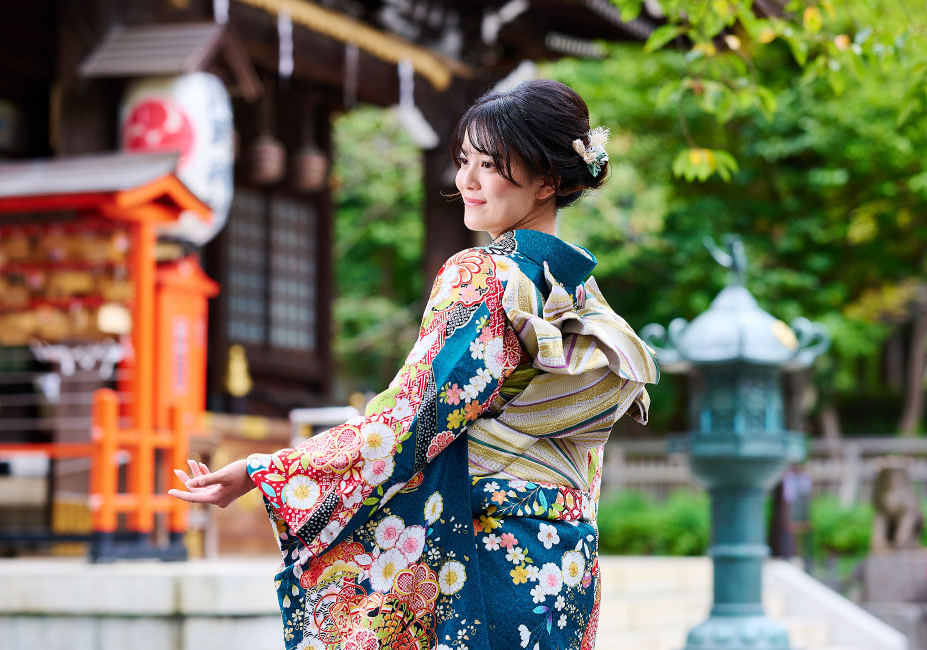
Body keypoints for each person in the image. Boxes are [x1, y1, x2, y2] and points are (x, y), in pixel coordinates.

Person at [169, 78, 660, 650]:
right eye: (464, 161)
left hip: (486, 554)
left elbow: (410, 420)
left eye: (490, 164)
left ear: (547, 180)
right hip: (565, 560)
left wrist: (271, 471)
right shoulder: (581, 293)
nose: (467, 181)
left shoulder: (482, 275)